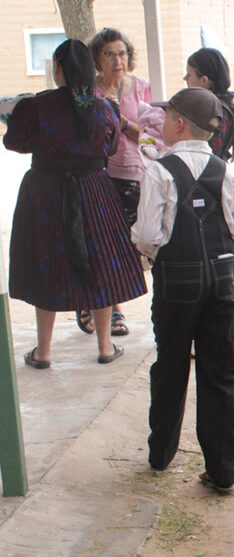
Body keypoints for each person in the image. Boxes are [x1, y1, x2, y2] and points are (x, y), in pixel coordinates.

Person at [132, 87, 234, 489]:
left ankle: (161, 454)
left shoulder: (159, 171)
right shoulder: (225, 171)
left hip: (175, 283)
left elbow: (148, 235)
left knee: (170, 367)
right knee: (220, 372)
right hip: (220, 282)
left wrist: (156, 250)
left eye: (167, 117)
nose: (162, 123)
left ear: (179, 123)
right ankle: (223, 471)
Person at [3, 39, 146, 368]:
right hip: (94, 191)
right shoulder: (102, 106)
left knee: (46, 263)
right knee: (101, 263)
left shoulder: (37, 106)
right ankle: (105, 346)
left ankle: (43, 352)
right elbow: (110, 146)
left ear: (57, 69)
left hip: (45, 193)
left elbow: (14, 141)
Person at [86, 27, 161, 337]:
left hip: (140, 176)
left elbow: (153, 136)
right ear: (97, 59)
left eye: (122, 53)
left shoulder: (141, 88)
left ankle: (161, 312)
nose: (117, 60)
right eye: (109, 54)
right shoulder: (89, 91)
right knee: (108, 249)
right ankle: (114, 310)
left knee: (148, 245)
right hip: (104, 178)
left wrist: (124, 123)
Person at [183, 47, 234, 289]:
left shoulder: (215, 110)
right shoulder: (224, 106)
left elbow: (204, 153)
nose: (186, 81)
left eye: (189, 75)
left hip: (209, 189)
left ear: (204, 79)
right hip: (217, 185)